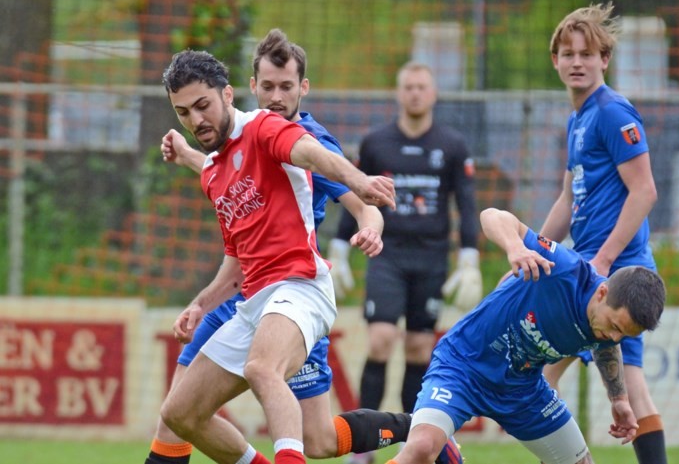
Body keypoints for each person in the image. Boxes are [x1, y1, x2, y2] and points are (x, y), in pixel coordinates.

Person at [151, 32, 460, 464]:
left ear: (229, 94)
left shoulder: (273, 129)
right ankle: (422, 431)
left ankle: (422, 429)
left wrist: (363, 190)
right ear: (253, 85)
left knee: (262, 370)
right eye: (183, 112)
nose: (196, 118)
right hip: (250, 298)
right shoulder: (216, 169)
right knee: (181, 414)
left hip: (297, 286)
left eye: (202, 106)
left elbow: (317, 158)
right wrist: (202, 302)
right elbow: (236, 250)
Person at [384, 207, 666, 464]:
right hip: (463, 367)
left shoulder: (607, 322)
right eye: (615, 327)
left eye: (623, 335)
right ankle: (446, 450)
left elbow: (605, 345)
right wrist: (515, 247)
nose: (615, 337)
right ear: (602, 292)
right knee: (421, 448)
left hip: (523, 389)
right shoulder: (564, 269)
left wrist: (618, 398)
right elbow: (492, 215)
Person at [328, 61, 480, 464]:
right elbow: (355, 196)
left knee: (417, 349)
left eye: (421, 87)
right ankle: (361, 450)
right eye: (408, 86)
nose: (415, 93)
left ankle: (416, 444)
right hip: (386, 255)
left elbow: (465, 204)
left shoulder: (452, 145)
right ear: (399, 93)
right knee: (379, 340)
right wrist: (339, 250)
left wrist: (470, 259)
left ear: (432, 94)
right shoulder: (377, 143)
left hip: (431, 259)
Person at [540, 3, 667, 464]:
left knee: (626, 390)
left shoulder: (613, 112)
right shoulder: (577, 119)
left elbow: (645, 191)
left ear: (604, 60)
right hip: (588, 269)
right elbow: (566, 201)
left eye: (587, 54)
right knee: (539, 375)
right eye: (568, 53)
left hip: (616, 272)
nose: (577, 61)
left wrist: (605, 260)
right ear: (554, 59)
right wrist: (531, 252)